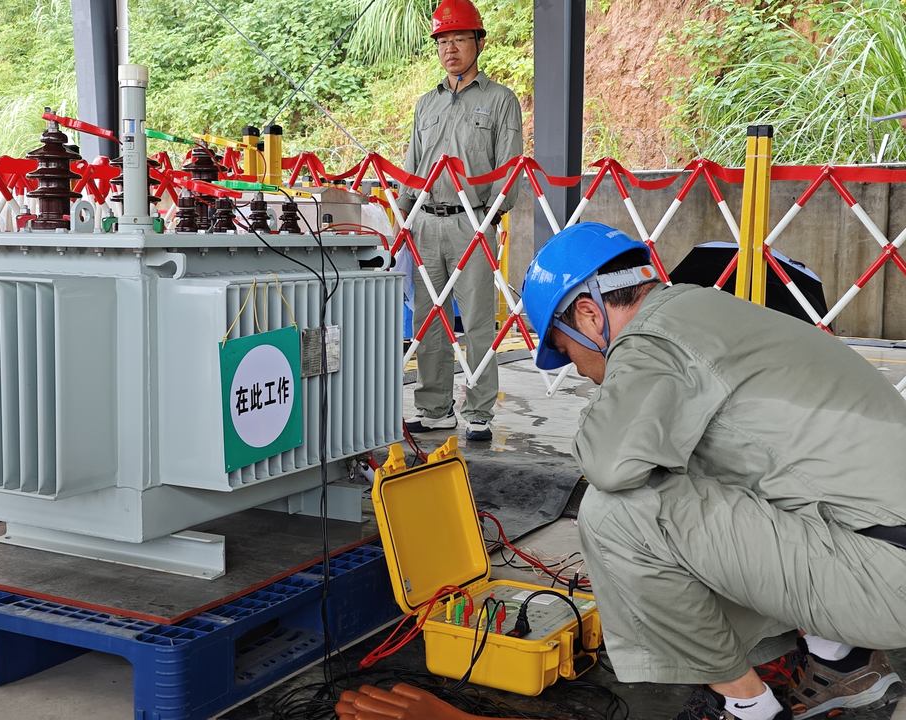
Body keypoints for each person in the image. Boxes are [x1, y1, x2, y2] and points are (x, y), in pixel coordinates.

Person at [336, 222, 906, 720]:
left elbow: (610, 463)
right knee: (698, 466)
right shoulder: (707, 311)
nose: (580, 370)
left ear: (590, 314)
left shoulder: (655, 337)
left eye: (566, 350)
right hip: (874, 539)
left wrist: (606, 407)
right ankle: (843, 658)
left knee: (620, 513)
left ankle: (747, 706)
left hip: (884, 572)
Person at [398, 0, 523, 442]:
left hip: (472, 224)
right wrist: (403, 212)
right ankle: (435, 408)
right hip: (425, 223)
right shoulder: (425, 105)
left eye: (459, 39)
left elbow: (510, 166)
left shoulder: (500, 100)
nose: (449, 49)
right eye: (442, 41)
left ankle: (479, 411)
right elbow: (413, 162)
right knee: (428, 319)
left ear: (479, 43)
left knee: (476, 319)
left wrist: (491, 215)